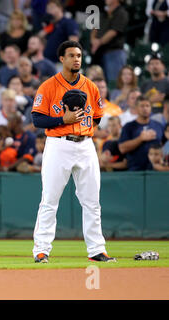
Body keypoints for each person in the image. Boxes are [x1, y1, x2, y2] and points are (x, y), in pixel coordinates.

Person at [31, 40, 116, 263]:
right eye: (71, 55)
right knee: (49, 200)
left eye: (79, 55)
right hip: (59, 144)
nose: (76, 59)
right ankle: (41, 250)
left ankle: (97, 249)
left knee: (92, 201)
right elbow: (37, 118)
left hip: (85, 145)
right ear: (62, 59)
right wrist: (63, 120)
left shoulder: (91, 86)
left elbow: (97, 115)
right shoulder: (48, 86)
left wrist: (83, 130)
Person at [118, 96, 164, 171]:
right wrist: (140, 139)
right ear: (136, 108)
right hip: (135, 171)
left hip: (156, 172)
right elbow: (122, 148)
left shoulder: (158, 126)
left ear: (151, 108)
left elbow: (163, 145)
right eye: (142, 106)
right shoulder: (129, 127)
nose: (145, 108)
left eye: (147, 106)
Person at [90, 0, 129, 82]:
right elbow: (94, 28)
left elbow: (114, 32)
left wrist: (98, 42)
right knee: (97, 82)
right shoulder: (103, 13)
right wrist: (93, 40)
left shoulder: (121, 13)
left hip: (114, 53)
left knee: (114, 82)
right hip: (99, 53)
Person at [40, 0, 79, 65]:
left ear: (60, 8)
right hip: (46, 61)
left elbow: (73, 43)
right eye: (48, 9)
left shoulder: (68, 22)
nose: (49, 11)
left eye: (52, 7)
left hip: (60, 63)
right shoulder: (49, 25)